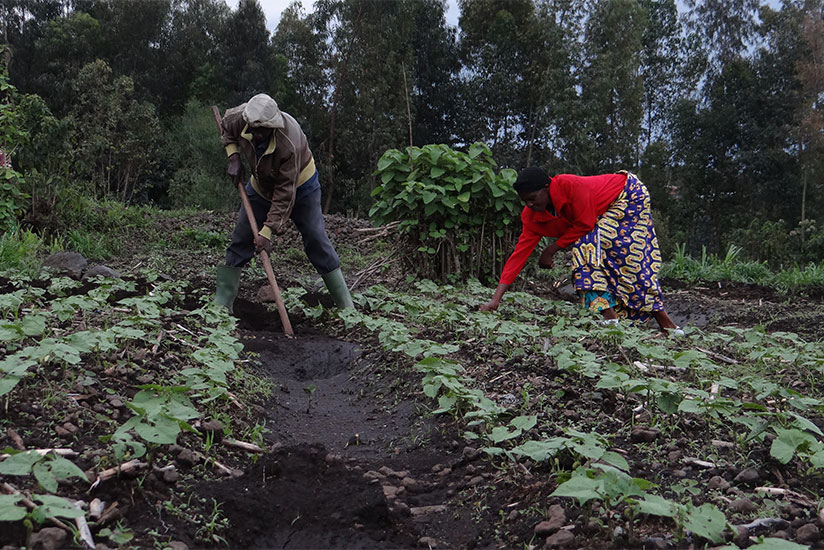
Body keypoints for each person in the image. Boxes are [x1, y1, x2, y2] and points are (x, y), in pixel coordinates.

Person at [481, 167, 682, 334]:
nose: (530, 204)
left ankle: (664, 322)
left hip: (628, 195)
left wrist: (550, 250)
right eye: (525, 201)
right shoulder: (532, 216)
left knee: (619, 258)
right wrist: (495, 300)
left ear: (546, 188)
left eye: (533, 198)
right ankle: (610, 319)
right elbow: (518, 256)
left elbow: (585, 224)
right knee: (590, 254)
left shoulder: (568, 185)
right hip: (601, 214)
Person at [214, 93, 353, 313]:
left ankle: (346, 307)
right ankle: (221, 306)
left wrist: (267, 232)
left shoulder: (289, 142)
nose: (256, 135)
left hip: (301, 187)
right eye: (253, 130)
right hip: (260, 185)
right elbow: (226, 129)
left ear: (273, 126)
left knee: (315, 237)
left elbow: (285, 193)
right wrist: (233, 157)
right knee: (241, 236)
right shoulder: (240, 117)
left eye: (262, 131)